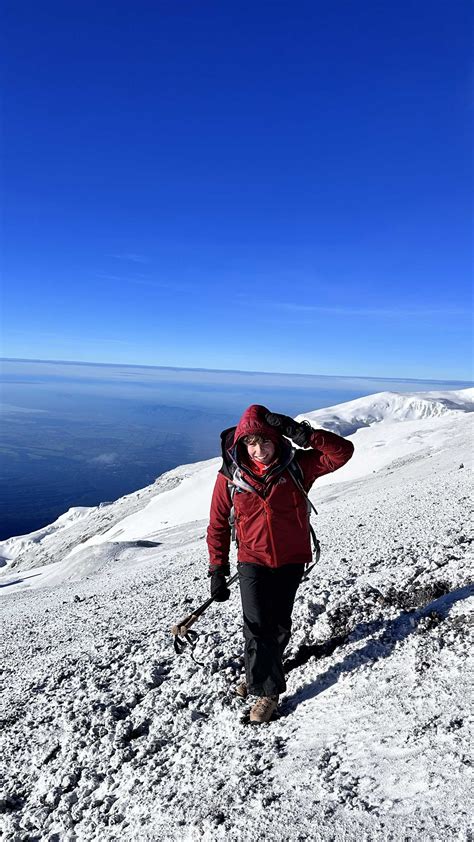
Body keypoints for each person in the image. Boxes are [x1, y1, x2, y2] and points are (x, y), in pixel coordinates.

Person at [206, 404, 354, 723]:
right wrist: (217, 569)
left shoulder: (297, 466)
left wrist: (303, 433)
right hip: (252, 559)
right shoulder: (230, 475)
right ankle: (267, 694)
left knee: (279, 625)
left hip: (290, 559)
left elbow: (342, 452)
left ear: (278, 440)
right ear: (242, 444)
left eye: (266, 442)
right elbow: (218, 523)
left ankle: (261, 672)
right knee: (257, 626)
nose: (259, 450)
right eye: (251, 443)